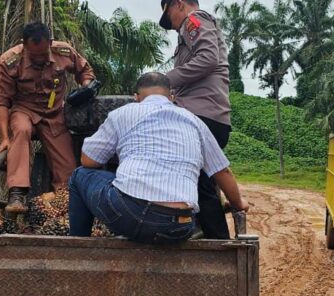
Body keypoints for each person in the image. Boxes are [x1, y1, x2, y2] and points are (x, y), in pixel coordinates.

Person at [68, 72, 248, 244]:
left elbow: (88, 161)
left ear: (136, 97)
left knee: (79, 175)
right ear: (171, 96)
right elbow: (222, 171)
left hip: (133, 216)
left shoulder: (123, 113)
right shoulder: (194, 121)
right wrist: (239, 203)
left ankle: (76, 247)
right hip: (181, 226)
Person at [0, 22, 96, 214]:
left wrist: (86, 88)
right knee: (21, 130)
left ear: (50, 42)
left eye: (43, 54)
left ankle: (64, 205)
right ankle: (17, 193)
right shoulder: (9, 61)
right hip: (24, 110)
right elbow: (1, 101)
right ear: (24, 45)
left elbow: (85, 71)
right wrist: (4, 138)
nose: (40, 59)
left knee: (67, 168)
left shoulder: (63, 51)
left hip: (54, 113)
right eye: (34, 55)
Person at [159, 0, 233, 239]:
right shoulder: (191, 28)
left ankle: (218, 241)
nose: (170, 23)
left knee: (197, 181)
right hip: (206, 114)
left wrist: (163, 82)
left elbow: (208, 59)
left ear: (178, 4)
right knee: (200, 179)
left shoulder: (194, 20)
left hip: (203, 116)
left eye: (168, 15)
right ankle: (206, 230)